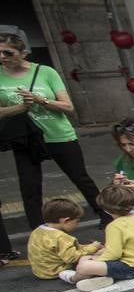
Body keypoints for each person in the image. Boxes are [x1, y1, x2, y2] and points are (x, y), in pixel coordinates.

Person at [0, 33, 107, 229]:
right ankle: (38, 229)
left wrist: (41, 100)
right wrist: (19, 108)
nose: (2, 57)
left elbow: (69, 107)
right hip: (25, 138)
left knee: (80, 177)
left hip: (58, 133)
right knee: (30, 186)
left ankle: (105, 214)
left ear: (23, 53)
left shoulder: (45, 72)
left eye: (8, 52)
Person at [52, 184, 134, 292]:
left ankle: (74, 278)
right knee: (87, 259)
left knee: (84, 265)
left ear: (106, 210)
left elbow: (114, 254)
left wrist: (95, 259)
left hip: (131, 268)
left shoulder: (114, 226)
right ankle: (100, 278)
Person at [27, 197, 102, 284]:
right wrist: (92, 248)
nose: (77, 225)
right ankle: (75, 278)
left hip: (40, 271)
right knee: (89, 259)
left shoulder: (38, 230)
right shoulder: (60, 237)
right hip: (56, 271)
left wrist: (86, 247)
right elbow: (72, 258)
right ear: (66, 220)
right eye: (77, 221)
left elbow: (67, 248)